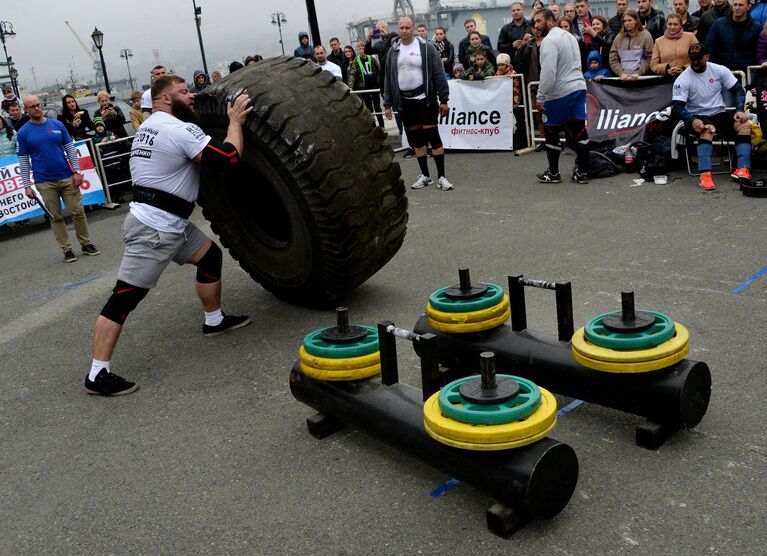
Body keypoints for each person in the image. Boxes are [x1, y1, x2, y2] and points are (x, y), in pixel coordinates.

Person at [84, 75, 254, 396]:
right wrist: (234, 121)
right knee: (124, 298)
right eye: (183, 91)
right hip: (155, 229)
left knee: (210, 257)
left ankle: (214, 320)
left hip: (168, 222)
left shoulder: (149, 126)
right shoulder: (176, 128)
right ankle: (97, 373)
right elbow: (229, 159)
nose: (191, 96)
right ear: (164, 98)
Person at [19, 95, 100, 263]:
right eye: (32, 106)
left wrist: (76, 171)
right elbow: (23, 160)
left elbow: (70, 148)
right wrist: (27, 185)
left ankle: (86, 244)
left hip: (67, 176)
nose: (36, 108)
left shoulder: (57, 125)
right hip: (44, 181)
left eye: (38, 105)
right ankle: (67, 250)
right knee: (55, 217)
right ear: (26, 110)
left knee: (78, 212)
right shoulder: (23, 132)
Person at [383, 16, 454, 191]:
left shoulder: (426, 47)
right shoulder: (393, 51)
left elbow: (438, 73)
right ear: (398, 29)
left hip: (425, 100)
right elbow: (388, 78)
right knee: (417, 142)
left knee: (434, 138)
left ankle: (442, 177)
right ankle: (426, 176)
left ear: (413, 28)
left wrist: (443, 100)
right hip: (405, 103)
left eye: (408, 28)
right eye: (401, 28)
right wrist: (387, 104)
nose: (404, 31)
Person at [671, 43, 751, 190]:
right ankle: (705, 175)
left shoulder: (719, 70)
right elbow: (676, 107)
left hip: (718, 113)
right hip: (695, 115)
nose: (695, 62)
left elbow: (739, 90)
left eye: (698, 59)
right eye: (692, 59)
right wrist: (692, 119)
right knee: (708, 129)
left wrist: (740, 110)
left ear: (707, 57)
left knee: (744, 125)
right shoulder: (683, 79)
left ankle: (743, 169)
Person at [533, 9, 591, 184]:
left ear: (550, 21)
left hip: (560, 91)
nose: (535, 25)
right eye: (534, 22)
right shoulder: (570, 36)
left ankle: (553, 173)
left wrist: (541, 97)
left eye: (538, 21)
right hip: (578, 87)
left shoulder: (549, 41)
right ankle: (582, 173)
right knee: (579, 129)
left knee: (551, 130)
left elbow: (548, 73)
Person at [705, 0, 760, 74]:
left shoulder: (756, 28)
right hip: (722, 74)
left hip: (748, 74)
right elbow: (709, 48)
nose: (737, 8)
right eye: (735, 5)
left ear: (748, 6)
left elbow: (759, 53)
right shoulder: (719, 25)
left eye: (741, 5)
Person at [609, 10, 654, 79]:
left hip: (641, 79)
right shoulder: (618, 38)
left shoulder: (646, 35)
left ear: (636, 21)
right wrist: (621, 73)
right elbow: (613, 59)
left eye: (629, 20)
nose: (627, 23)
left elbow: (649, 58)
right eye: (625, 21)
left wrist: (638, 73)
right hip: (623, 80)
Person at [348, 42, 385, 127]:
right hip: (364, 87)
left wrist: (379, 82)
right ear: (357, 50)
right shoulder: (356, 61)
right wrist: (351, 86)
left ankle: (382, 125)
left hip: (374, 85)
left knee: (377, 106)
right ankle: (373, 126)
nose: (361, 50)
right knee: (369, 108)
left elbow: (379, 70)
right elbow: (353, 74)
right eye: (359, 49)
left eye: (363, 48)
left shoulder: (371, 58)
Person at [497, 2, 533, 67]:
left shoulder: (531, 26)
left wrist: (528, 42)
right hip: (512, 66)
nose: (516, 12)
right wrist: (512, 45)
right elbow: (499, 47)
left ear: (523, 10)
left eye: (518, 10)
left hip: (530, 64)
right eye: (513, 10)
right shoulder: (505, 29)